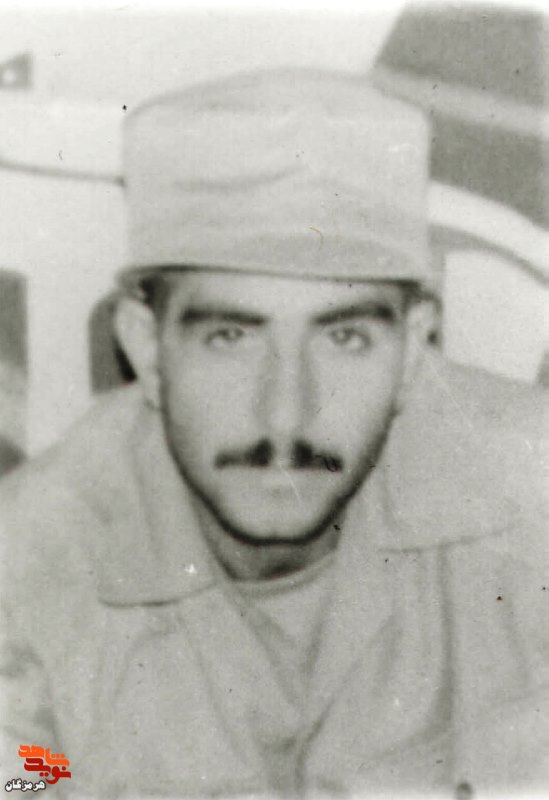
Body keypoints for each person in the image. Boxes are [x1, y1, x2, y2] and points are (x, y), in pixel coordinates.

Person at [0, 69, 546, 799]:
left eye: (344, 339)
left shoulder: (534, 505)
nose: (286, 415)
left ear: (413, 349)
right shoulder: (26, 575)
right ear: (147, 346)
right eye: (231, 337)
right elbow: (28, 778)